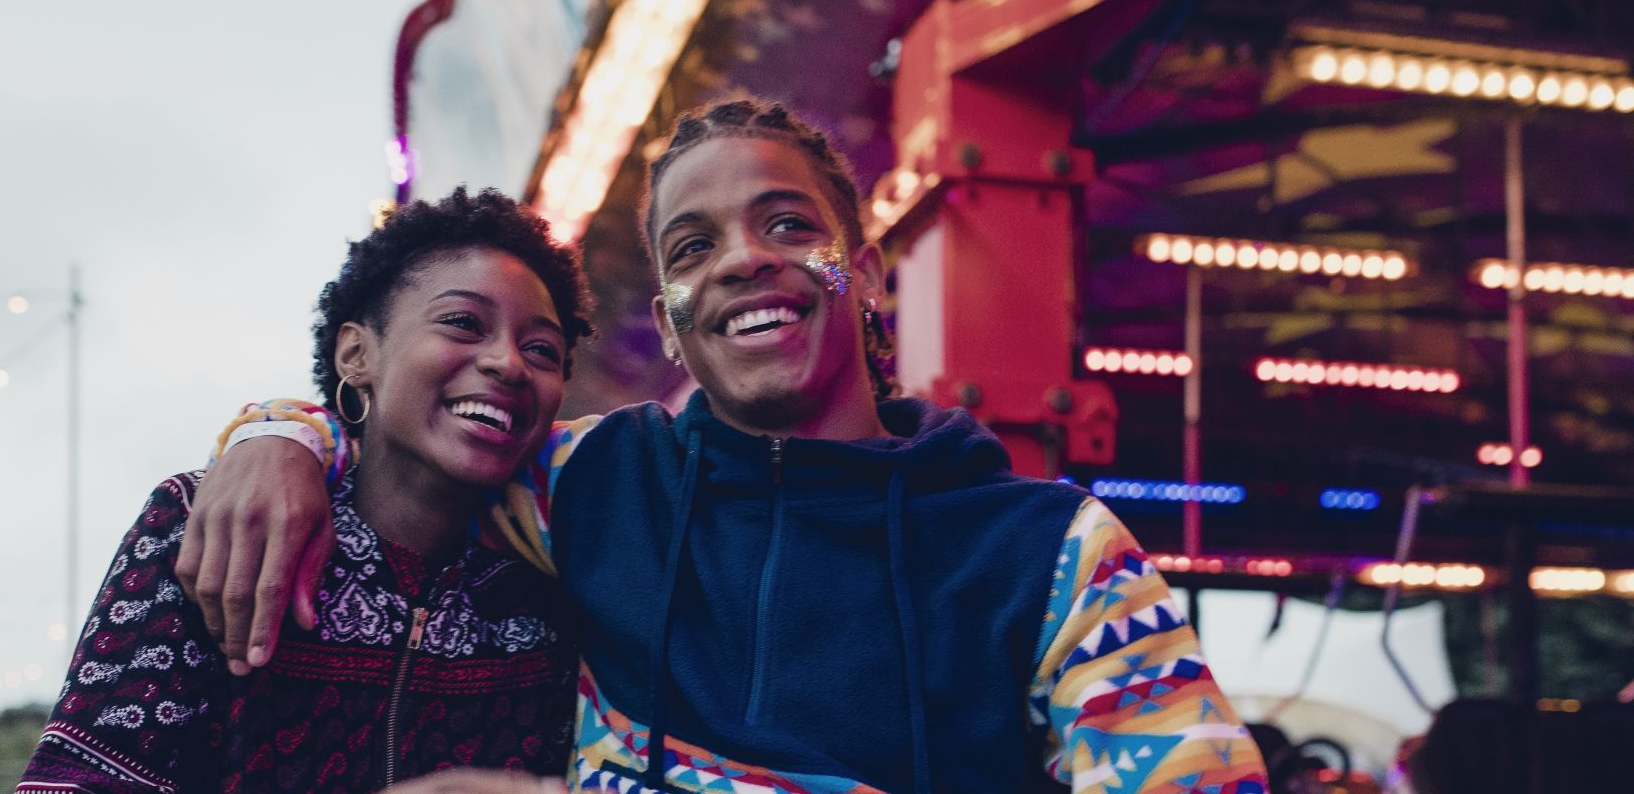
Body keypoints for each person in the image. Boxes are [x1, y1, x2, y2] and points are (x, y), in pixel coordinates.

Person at [185, 99, 1268, 793]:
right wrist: (279, 434)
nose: (745, 259)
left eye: (790, 224)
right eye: (694, 246)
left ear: (867, 272)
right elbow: (417, 433)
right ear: (670, 321)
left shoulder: (1055, 552)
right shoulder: (586, 480)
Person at [17, 189, 594, 793]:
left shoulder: (560, 576)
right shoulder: (206, 520)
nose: (508, 362)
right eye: (462, 323)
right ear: (355, 353)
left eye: (542, 350)